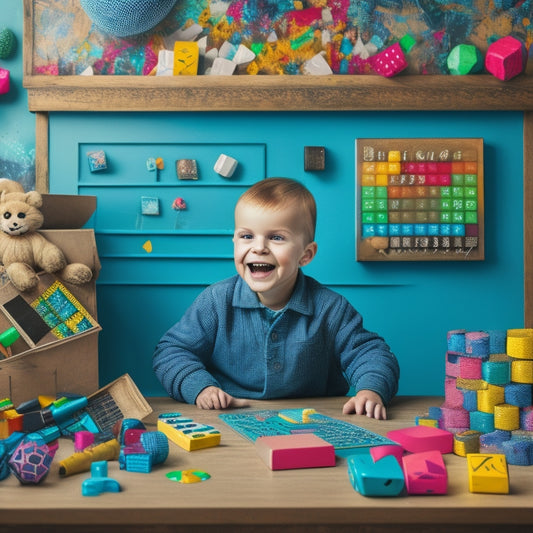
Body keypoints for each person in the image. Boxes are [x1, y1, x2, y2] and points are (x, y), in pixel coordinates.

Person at [153, 178, 399, 419]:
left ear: (306, 254)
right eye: (247, 236)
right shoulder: (216, 301)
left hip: (316, 421)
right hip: (230, 418)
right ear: (234, 242)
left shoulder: (331, 308)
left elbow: (370, 353)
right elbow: (171, 351)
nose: (259, 247)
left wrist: (370, 390)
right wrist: (201, 388)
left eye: (276, 237)